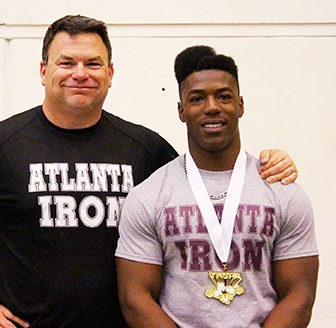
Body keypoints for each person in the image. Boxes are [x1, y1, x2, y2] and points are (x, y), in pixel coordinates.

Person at [0, 15, 298, 328]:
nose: (80, 73)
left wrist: (270, 163)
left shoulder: (146, 149)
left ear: (110, 73)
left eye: (93, 64)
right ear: (44, 70)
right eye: (67, 62)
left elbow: (209, 187)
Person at [115, 45, 319, 328]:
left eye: (223, 96)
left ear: (241, 105)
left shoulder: (284, 191)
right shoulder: (148, 196)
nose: (212, 107)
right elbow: (134, 297)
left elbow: (300, 295)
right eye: (197, 99)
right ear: (181, 110)